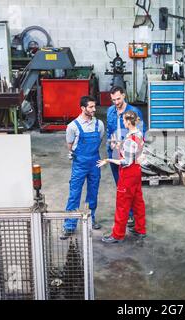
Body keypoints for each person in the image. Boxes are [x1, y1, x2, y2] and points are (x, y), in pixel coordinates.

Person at [97, 111, 146, 244]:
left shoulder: (130, 139)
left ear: (128, 122)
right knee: (137, 202)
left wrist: (108, 160)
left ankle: (117, 235)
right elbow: (133, 152)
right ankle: (140, 229)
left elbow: (125, 162)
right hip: (136, 172)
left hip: (128, 175)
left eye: (124, 121)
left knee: (122, 205)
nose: (123, 123)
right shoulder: (138, 134)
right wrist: (118, 145)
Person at [61, 96, 105, 240]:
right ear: (83, 108)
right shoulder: (72, 126)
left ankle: (91, 219)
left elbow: (100, 139)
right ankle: (69, 226)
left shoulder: (99, 124)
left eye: (94, 107)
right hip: (79, 163)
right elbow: (70, 145)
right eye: (91, 107)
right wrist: (77, 155)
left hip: (94, 162)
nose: (94, 109)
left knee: (93, 192)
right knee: (74, 194)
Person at [106, 86, 146, 228]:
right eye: (113, 100)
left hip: (129, 155)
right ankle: (129, 214)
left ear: (124, 96)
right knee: (120, 186)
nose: (116, 102)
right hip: (115, 153)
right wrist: (111, 145)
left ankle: (130, 216)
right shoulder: (110, 111)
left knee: (129, 189)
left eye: (118, 99)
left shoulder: (134, 112)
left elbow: (141, 133)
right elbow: (109, 131)